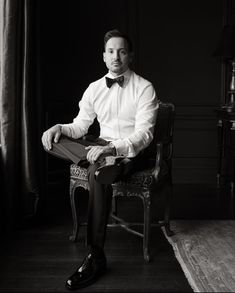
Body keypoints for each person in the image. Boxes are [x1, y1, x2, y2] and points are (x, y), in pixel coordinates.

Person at [41, 29, 159, 290]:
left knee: (98, 171)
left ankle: (95, 255)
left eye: (122, 51)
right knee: (54, 141)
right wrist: (59, 127)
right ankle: (100, 164)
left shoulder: (144, 88)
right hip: (99, 147)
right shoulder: (94, 88)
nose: (116, 56)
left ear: (130, 56)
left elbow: (145, 135)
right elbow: (80, 126)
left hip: (131, 152)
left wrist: (112, 150)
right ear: (104, 57)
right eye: (110, 51)